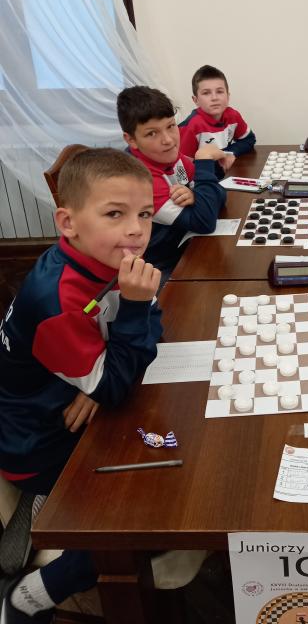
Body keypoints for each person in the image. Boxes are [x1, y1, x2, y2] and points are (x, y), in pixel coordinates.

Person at [0, 148, 162, 622]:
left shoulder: (103, 258)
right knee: (147, 516)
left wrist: (98, 382)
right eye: (115, 214)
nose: (137, 230)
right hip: (40, 441)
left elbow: (154, 327)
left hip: (63, 407)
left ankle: (47, 505)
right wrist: (135, 313)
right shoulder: (57, 301)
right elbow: (117, 386)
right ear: (68, 223)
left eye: (145, 214)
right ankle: (27, 597)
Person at [117, 85, 227, 272]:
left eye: (170, 126)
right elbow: (205, 222)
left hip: (184, 248)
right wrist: (204, 160)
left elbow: (221, 196)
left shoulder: (168, 156)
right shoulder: (139, 180)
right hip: (157, 267)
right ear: (131, 140)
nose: (168, 140)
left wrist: (195, 195)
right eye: (152, 133)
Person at [179, 64, 255, 176]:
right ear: (196, 100)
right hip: (201, 181)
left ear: (228, 96)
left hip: (225, 176)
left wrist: (229, 153)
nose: (214, 98)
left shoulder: (233, 116)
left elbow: (249, 140)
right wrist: (218, 163)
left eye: (219, 91)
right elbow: (183, 169)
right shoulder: (191, 126)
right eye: (206, 93)